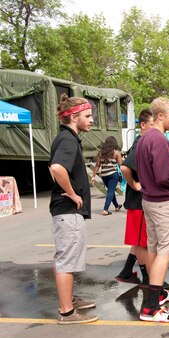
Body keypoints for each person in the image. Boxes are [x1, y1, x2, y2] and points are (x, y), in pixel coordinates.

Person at [136, 98, 169, 323]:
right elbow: (164, 177)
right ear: (160, 116)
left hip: (148, 200)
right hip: (161, 203)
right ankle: (150, 308)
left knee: (154, 248)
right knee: (165, 251)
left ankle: (156, 295)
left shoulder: (143, 138)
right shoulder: (159, 140)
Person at [49, 94, 97, 324]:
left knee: (67, 259)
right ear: (73, 116)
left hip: (67, 213)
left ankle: (70, 300)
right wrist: (71, 192)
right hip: (68, 211)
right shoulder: (67, 140)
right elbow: (57, 168)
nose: (91, 120)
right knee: (66, 261)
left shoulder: (67, 138)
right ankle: (67, 311)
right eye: (87, 116)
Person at [115, 109, 169, 291]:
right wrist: (135, 185)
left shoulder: (143, 142)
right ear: (143, 125)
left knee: (139, 240)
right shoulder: (141, 142)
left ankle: (128, 272)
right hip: (138, 201)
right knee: (142, 243)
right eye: (151, 124)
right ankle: (149, 278)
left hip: (139, 202)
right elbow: (124, 168)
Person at [91, 136, 123, 216]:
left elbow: (97, 165)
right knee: (111, 191)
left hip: (104, 175)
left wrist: (93, 176)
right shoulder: (116, 153)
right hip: (113, 175)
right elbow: (121, 165)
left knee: (110, 190)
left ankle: (116, 206)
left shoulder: (100, 153)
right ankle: (105, 209)